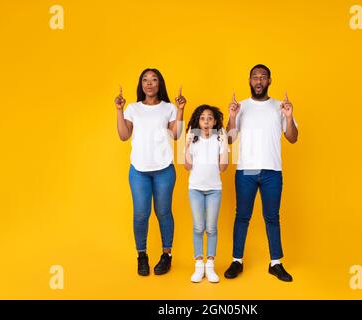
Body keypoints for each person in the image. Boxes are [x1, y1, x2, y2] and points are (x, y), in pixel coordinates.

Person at [224, 64, 298, 282]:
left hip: (272, 170)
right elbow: (228, 139)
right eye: (255, 77)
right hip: (247, 169)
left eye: (263, 77)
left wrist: (290, 116)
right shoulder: (241, 107)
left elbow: (293, 138)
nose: (258, 81)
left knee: (272, 217)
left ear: (269, 81)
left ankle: (276, 263)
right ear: (249, 81)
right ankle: (237, 260)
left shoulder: (279, 107)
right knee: (242, 216)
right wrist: (231, 116)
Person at [115, 68, 185, 276]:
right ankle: (142, 256)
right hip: (139, 170)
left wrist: (180, 109)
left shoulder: (168, 108)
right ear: (141, 84)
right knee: (140, 214)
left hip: (164, 169)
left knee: (163, 213)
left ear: (159, 84)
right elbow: (123, 135)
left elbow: (176, 134)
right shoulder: (133, 108)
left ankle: (166, 255)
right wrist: (119, 110)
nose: (149, 83)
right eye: (145, 80)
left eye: (154, 80)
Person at [184, 105, 229, 283]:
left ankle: (210, 265)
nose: (206, 121)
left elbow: (223, 167)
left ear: (215, 121)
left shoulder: (219, 139)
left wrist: (225, 143)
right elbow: (187, 166)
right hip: (195, 188)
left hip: (214, 190)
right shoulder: (193, 139)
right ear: (198, 121)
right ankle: (198, 265)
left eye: (210, 118)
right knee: (198, 227)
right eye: (203, 118)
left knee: (211, 228)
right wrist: (186, 146)